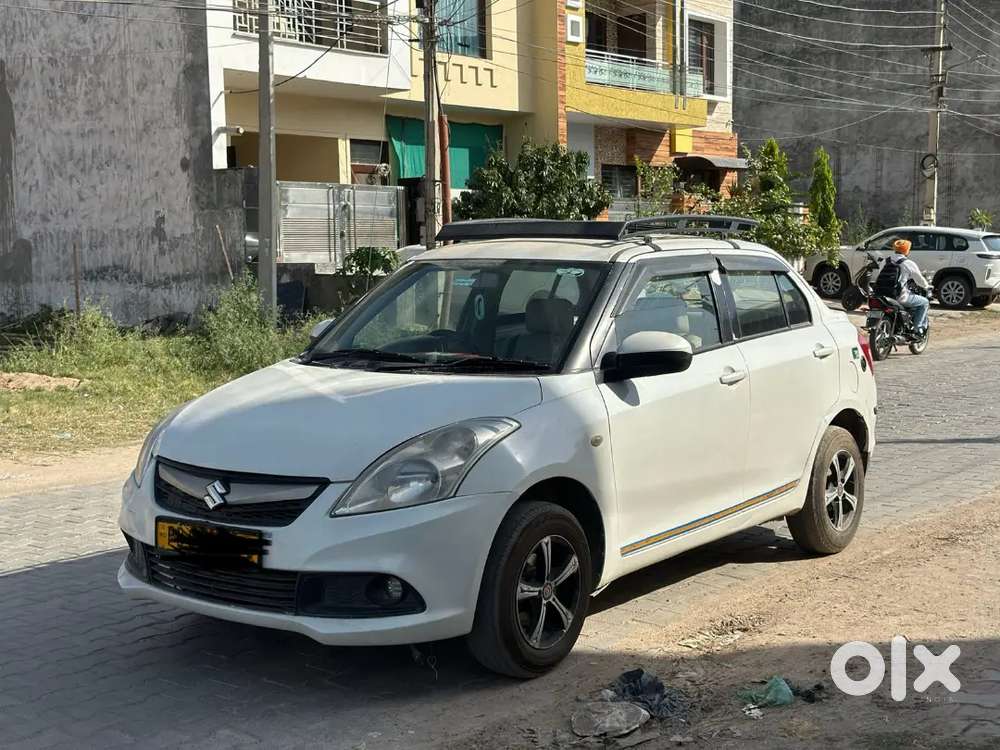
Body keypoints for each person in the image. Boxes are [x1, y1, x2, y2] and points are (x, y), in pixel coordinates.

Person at [873, 239, 931, 334]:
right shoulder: (908, 263)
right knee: (924, 302)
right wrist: (927, 287)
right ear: (907, 251)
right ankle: (917, 328)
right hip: (899, 297)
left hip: (881, 295)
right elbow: (919, 280)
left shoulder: (885, 261)